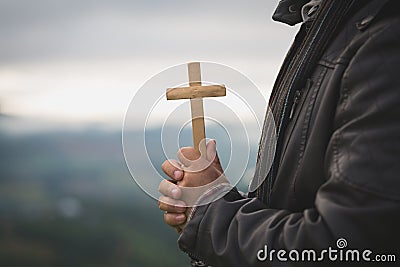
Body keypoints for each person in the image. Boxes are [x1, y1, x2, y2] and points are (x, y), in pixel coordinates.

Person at [158, 0, 400, 266]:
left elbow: (349, 247)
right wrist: (219, 200)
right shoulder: (329, 24)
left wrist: (211, 215)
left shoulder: (381, 39)